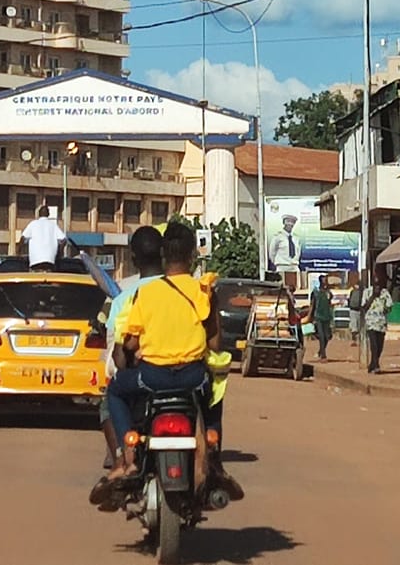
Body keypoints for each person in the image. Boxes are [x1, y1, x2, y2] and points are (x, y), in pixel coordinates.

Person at [95, 223, 243, 507]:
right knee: (214, 398)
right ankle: (214, 459)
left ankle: (127, 458)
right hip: (193, 379)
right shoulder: (203, 290)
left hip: (152, 379)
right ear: (191, 257)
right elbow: (214, 344)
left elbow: (131, 344)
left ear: (163, 257)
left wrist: (129, 352)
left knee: (114, 391)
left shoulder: (145, 294)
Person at [98, 225, 166, 465]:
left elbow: (115, 362)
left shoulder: (122, 299)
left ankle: (122, 459)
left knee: (109, 400)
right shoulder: (183, 291)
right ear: (163, 254)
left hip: (141, 378)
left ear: (133, 259)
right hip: (187, 377)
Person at [19, 205, 67, 272]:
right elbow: (64, 240)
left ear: (38, 213)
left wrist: (19, 252)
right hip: (50, 262)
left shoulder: (33, 224)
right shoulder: (53, 225)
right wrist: (59, 253)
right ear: (48, 214)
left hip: (35, 262)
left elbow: (23, 239)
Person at [363, 272, 393, 375]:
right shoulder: (367, 292)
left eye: (379, 284)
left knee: (380, 346)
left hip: (381, 323)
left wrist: (384, 310)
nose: (377, 287)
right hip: (371, 323)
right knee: (374, 345)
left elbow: (389, 307)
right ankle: (376, 365)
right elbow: (364, 307)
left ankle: (372, 364)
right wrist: (373, 297)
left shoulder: (385, 293)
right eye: (376, 284)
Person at [265, 214, 303, 278]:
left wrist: (294, 261)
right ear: (284, 222)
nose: (290, 224)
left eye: (292, 222)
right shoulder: (277, 237)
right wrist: (277, 262)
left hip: (294, 267)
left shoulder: (296, 238)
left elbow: (298, 252)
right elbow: (272, 252)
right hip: (282, 267)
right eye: (288, 221)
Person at [309, 276, 336, 361]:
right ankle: (323, 355)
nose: (325, 282)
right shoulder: (316, 292)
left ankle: (321, 351)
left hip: (327, 316)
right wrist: (311, 317)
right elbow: (312, 305)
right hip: (318, 317)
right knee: (321, 335)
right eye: (324, 280)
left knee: (327, 336)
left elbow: (330, 301)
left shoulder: (328, 292)